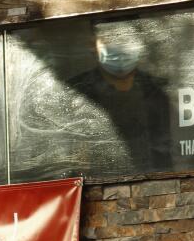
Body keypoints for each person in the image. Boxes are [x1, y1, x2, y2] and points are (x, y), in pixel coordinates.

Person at [65, 23, 174, 176]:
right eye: (110, 38)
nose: (120, 46)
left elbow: (166, 152)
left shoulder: (159, 91)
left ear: (140, 43)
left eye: (127, 38)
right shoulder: (74, 92)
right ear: (93, 44)